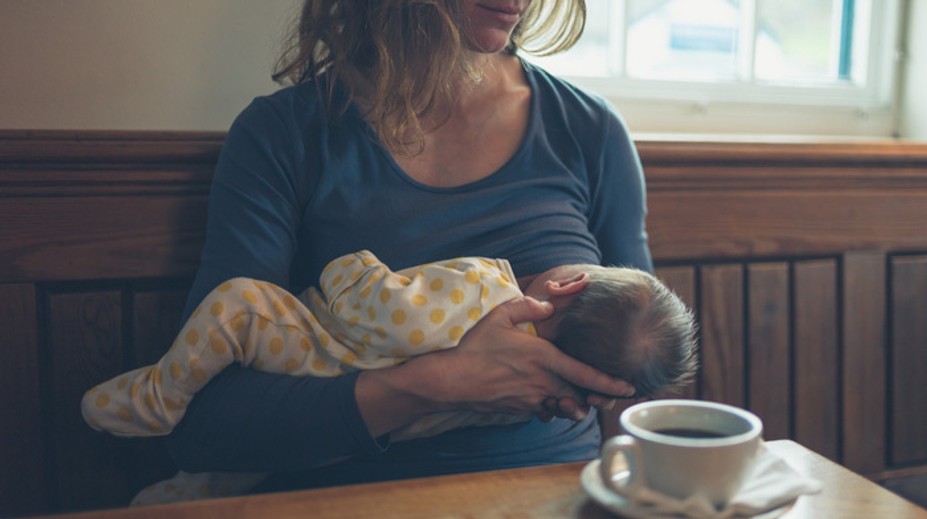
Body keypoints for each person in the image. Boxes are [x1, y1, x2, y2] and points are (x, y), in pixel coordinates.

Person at [163, 0, 653, 498]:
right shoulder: (284, 135)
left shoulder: (590, 130)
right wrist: (443, 384)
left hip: (558, 497)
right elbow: (205, 426)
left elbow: (639, 367)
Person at [83, 249, 696, 504]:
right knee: (229, 475)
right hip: (337, 447)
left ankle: (157, 396)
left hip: (309, 355)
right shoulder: (530, 398)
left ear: (564, 286)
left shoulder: (487, 286)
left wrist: (353, 267)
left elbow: (374, 307)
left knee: (237, 305)